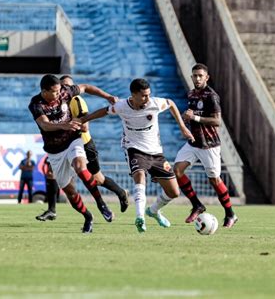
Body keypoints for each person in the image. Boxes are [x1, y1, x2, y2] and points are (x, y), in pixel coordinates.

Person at [79, 78, 194, 232]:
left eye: (149, 94)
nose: (147, 98)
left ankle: (152, 211)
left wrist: (182, 127)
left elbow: (171, 103)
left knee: (174, 192)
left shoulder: (154, 103)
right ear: (133, 95)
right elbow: (105, 111)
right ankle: (140, 217)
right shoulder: (122, 106)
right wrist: (85, 119)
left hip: (156, 152)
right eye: (144, 95)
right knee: (140, 176)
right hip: (134, 149)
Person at [29, 74, 116, 233]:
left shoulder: (64, 91)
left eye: (58, 91)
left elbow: (86, 87)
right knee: (70, 191)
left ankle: (101, 203)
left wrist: (107, 96)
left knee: (80, 167)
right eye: (54, 92)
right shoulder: (36, 103)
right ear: (44, 91)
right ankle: (88, 217)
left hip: (72, 141)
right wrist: (64, 125)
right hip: (55, 151)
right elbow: (45, 125)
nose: (58, 94)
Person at [173, 63, 238, 228]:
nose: (197, 78)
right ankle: (196, 205)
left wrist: (194, 117)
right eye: (195, 75)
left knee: (214, 180)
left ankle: (230, 213)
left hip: (209, 145)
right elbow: (193, 114)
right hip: (194, 143)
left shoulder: (211, 96)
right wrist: (186, 118)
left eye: (200, 75)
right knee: (177, 170)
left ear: (206, 77)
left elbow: (217, 121)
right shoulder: (191, 94)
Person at [63, 75, 129, 212]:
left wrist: (67, 125)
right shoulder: (59, 101)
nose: (66, 89)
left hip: (84, 144)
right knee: (68, 177)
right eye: (63, 86)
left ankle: (120, 193)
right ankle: (52, 209)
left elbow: (85, 126)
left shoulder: (76, 100)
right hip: (70, 145)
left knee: (97, 178)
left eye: (69, 86)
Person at [35, 156, 60, 221]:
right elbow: (43, 165)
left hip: (69, 154)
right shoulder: (49, 156)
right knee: (50, 174)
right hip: (59, 154)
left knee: (70, 191)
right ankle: (51, 210)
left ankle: (88, 216)